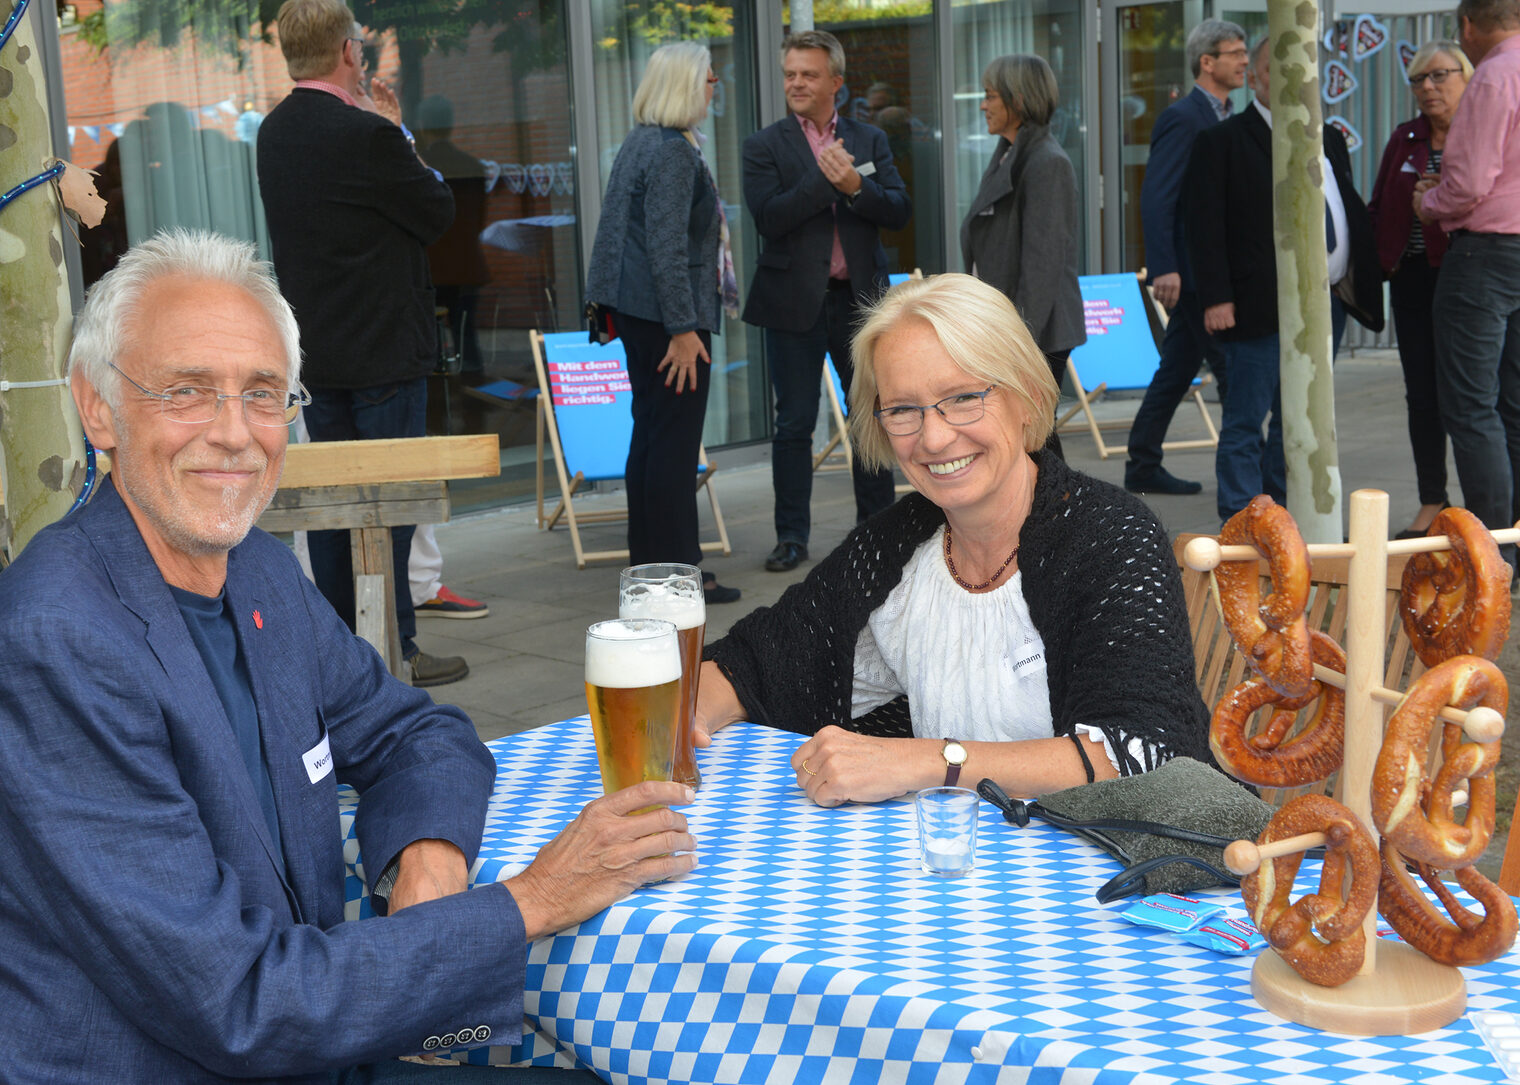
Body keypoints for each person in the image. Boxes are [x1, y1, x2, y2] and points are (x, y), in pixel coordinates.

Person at [0, 229, 696, 1082]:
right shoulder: (57, 638)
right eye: (187, 391)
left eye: (263, 394)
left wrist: (427, 854)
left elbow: (418, 733)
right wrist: (532, 900)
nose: (234, 434)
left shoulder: (252, 567)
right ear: (98, 407)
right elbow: (240, 1003)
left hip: (318, 1034)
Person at [694, 274, 1210, 805]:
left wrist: (927, 761)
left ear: (1028, 397)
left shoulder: (1112, 536)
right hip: (953, 872)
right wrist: (691, 717)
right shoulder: (894, 544)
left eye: (963, 398)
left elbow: (1146, 753)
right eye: (902, 410)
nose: (935, 438)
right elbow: (759, 663)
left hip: (1105, 874)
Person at [257, 0, 468, 687]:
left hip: (319, 353)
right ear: (349, 52)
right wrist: (398, 136)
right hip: (383, 352)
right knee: (388, 510)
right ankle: (393, 652)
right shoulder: (368, 136)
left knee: (330, 512)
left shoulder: (274, 133)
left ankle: (341, 658)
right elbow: (437, 212)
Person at [1185, 34, 1383, 524]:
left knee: (1300, 418)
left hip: (1326, 304)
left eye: (1304, 72)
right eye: (1280, 70)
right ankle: (1240, 523)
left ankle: (1279, 514)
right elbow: (1204, 226)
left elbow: (1342, 209)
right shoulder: (1221, 141)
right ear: (1255, 75)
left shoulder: (1329, 137)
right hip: (1256, 306)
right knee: (1246, 421)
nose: (1294, 82)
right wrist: (1216, 297)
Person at [742, 29, 913, 574]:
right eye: (790, 73)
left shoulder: (871, 138)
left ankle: (877, 529)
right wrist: (829, 180)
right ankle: (791, 537)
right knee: (793, 423)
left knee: (871, 415)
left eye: (808, 74)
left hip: (859, 302)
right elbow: (770, 218)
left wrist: (856, 189)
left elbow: (898, 209)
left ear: (835, 82)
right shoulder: (763, 145)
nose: (795, 82)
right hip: (792, 302)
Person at [585, 41, 740, 606]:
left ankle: (649, 568)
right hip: (668, 321)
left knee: (651, 440)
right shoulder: (673, 151)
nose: (714, 86)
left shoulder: (641, 141)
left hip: (639, 314)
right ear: (684, 85)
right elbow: (667, 248)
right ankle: (681, 575)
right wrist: (683, 328)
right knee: (673, 447)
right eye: (708, 78)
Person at [1415, 0, 1520, 566]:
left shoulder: (1494, 77)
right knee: (1513, 405)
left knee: (1473, 408)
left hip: (1484, 251)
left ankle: (1491, 558)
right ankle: (1511, 547)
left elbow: (1472, 181)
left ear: (1468, 27)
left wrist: (1429, 203)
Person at [1124, 19, 1247, 496]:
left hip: (1208, 271)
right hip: (1196, 276)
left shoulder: (1225, 114)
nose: (1243, 61)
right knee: (1233, 376)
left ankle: (1141, 462)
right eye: (1234, 53)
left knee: (1177, 368)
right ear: (1207, 61)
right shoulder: (1184, 117)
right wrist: (1165, 266)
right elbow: (1158, 196)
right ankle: (1243, 484)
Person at [1367, 41, 1473, 539]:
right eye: (1417, 80)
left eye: (1439, 76)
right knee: (1422, 396)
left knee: (1472, 396)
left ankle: (1485, 506)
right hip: (1411, 278)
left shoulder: (1482, 131)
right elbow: (1379, 203)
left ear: (1466, 77)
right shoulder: (1405, 136)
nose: (1427, 88)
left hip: (1468, 277)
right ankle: (1433, 499)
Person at [959, 52, 1085, 452]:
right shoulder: (1011, 153)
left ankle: (1064, 510)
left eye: (990, 95)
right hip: (1013, 324)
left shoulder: (1046, 162)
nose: (983, 104)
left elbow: (1043, 264)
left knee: (1033, 436)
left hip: (1036, 330)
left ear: (1018, 99)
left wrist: (1019, 340)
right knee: (1029, 435)